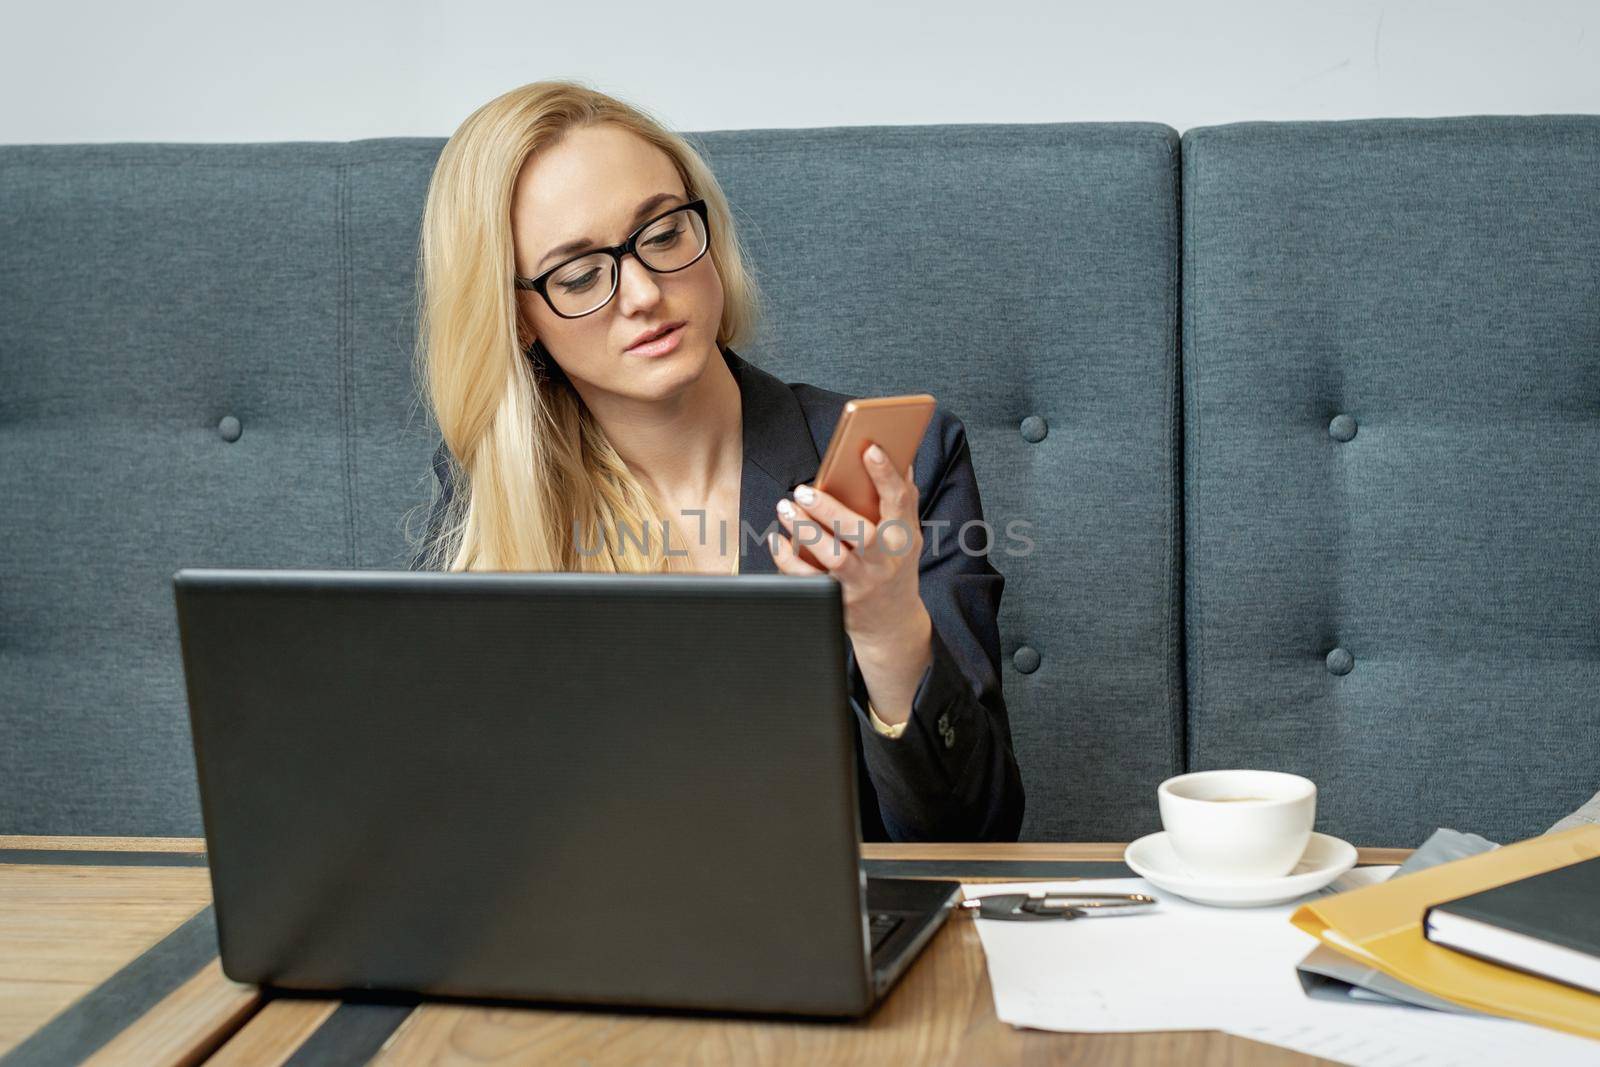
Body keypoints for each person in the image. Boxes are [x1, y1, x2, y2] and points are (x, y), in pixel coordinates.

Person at [407, 80, 1025, 842]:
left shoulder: (899, 464)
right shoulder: (494, 492)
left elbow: (976, 836)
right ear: (519, 319)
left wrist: (890, 628)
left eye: (663, 234)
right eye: (577, 276)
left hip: (833, 940)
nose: (641, 292)